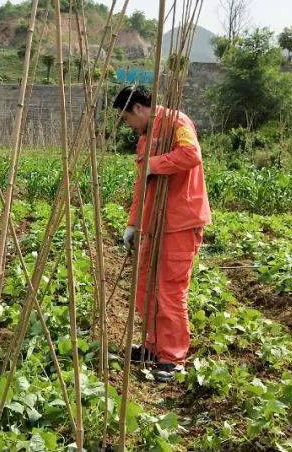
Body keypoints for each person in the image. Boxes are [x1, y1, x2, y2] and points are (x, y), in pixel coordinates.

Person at [115, 84, 211, 383]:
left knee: (170, 289)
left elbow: (191, 155)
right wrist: (133, 223)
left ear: (139, 109)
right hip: (153, 223)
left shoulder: (177, 122)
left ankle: (173, 358)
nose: (127, 125)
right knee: (144, 284)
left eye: (126, 118)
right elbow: (141, 183)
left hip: (180, 221)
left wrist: (155, 165)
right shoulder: (145, 138)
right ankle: (153, 345)